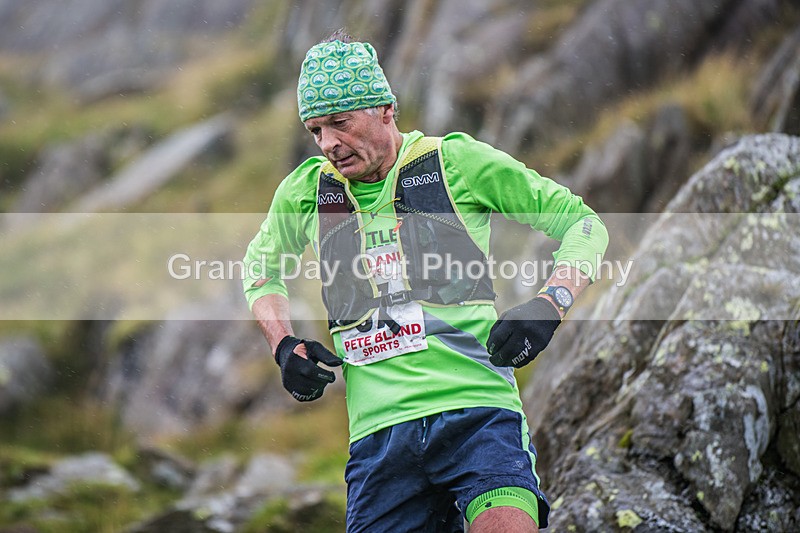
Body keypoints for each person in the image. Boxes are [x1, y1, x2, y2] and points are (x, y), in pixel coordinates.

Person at [243, 30, 608, 532]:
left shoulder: (455, 162)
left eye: (339, 123)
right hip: (379, 440)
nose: (328, 144)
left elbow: (583, 224)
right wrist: (283, 345)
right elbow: (260, 270)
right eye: (315, 130)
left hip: (477, 415)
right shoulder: (306, 192)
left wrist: (550, 303)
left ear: (386, 110)